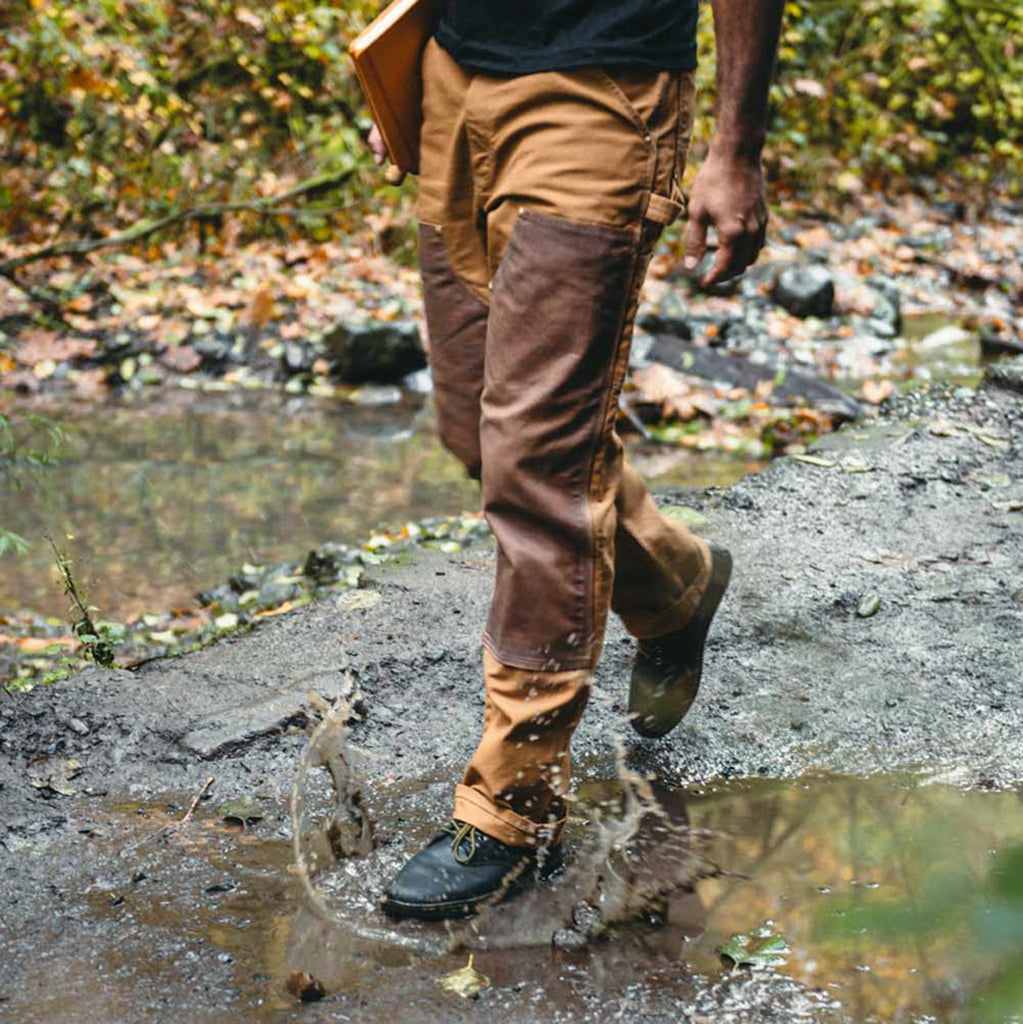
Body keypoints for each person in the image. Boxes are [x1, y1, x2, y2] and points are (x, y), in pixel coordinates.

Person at [372, 0, 782, 920]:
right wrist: (392, 59)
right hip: (453, 75)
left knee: (537, 464)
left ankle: (511, 806)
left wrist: (735, 148)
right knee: (477, 435)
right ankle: (674, 582)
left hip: (603, 91)